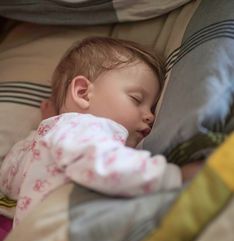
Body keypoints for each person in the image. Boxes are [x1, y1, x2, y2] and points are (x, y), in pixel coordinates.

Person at [0, 36, 202, 227]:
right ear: (83, 93)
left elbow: (8, 181)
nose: (150, 115)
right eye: (136, 99)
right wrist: (173, 176)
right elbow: (104, 163)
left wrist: (43, 128)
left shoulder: (42, 141)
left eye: (152, 107)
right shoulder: (83, 127)